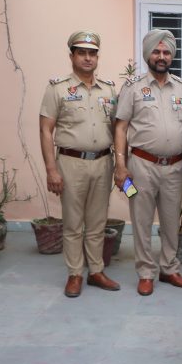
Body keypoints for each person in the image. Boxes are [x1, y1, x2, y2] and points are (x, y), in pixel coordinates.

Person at [38, 30, 120, 298]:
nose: (87, 58)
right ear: (72, 56)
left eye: (92, 53)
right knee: (73, 223)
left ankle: (96, 271)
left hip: (103, 162)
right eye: (82, 53)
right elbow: (45, 130)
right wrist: (51, 170)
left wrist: (121, 164)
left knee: (97, 222)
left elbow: (118, 129)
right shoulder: (58, 88)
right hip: (71, 163)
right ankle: (75, 273)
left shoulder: (109, 89)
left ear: (97, 57)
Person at [113, 29, 182, 296]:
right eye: (157, 52)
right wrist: (120, 165)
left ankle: (169, 268)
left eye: (166, 52)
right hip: (141, 166)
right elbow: (121, 127)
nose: (161, 56)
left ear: (172, 56)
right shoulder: (133, 87)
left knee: (171, 221)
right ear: (148, 54)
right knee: (141, 220)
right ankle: (146, 272)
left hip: (175, 168)